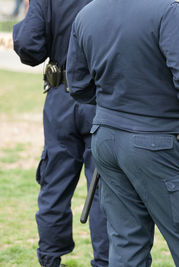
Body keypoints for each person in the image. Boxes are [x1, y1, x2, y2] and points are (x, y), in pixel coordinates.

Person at [66, 0, 179, 266]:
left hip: (107, 138)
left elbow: (78, 85)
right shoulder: (165, 10)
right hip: (157, 140)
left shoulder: (88, 13)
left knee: (126, 246)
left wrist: (116, 105)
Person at [13, 0, 109, 265]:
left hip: (63, 98)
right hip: (103, 100)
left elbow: (28, 46)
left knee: (54, 184)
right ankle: (106, 261)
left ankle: (50, 258)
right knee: (104, 189)